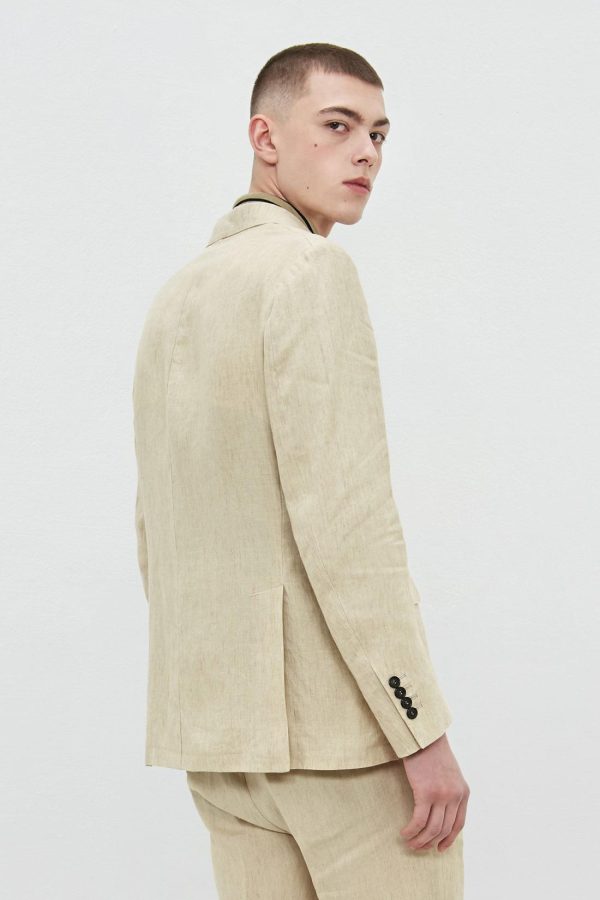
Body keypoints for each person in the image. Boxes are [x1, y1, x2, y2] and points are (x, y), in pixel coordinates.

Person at [132, 41, 469, 899]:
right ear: (266, 137)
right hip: (338, 745)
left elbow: (156, 525)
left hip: (220, 742)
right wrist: (419, 728)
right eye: (338, 125)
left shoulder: (179, 295)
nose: (367, 153)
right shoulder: (310, 270)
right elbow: (348, 525)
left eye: (379, 134)